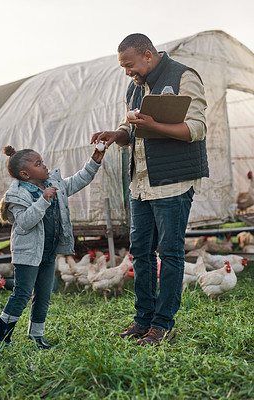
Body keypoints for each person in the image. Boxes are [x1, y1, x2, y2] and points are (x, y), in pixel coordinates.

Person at [91, 33, 209, 346]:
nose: (127, 72)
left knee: (169, 254)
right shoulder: (134, 87)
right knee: (140, 253)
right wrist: (117, 134)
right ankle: (142, 320)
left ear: (147, 55)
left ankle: (162, 324)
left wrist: (155, 127)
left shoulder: (183, 76)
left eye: (129, 65)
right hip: (140, 183)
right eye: (123, 67)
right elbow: (131, 128)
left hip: (172, 181)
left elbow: (197, 128)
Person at [0, 144, 104, 349]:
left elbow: (79, 180)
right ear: (25, 174)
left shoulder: (53, 183)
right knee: (22, 294)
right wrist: (43, 200)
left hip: (48, 251)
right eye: (38, 164)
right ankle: (1, 340)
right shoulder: (18, 195)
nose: (45, 166)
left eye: (42, 161)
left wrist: (94, 161)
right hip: (28, 253)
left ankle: (36, 337)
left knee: (43, 295)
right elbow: (25, 222)